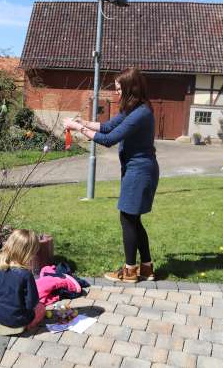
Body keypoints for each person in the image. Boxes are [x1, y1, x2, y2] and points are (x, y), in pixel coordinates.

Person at [63, 67, 159, 283]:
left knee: (127, 218)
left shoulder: (140, 113)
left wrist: (77, 129)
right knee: (134, 219)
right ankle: (146, 268)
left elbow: (108, 139)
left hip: (140, 171)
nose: (116, 93)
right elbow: (106, 127)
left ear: (129, 89)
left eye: (119, 89)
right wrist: (83, 123)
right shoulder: (132, 110)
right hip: (137, 170)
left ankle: (129, 271)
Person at [0, 229, 46, 332]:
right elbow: (32, 303)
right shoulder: (26, 275)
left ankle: (11, 323)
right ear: (28, 253)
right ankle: (26, 325)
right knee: (41, 308)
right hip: (19, 320)